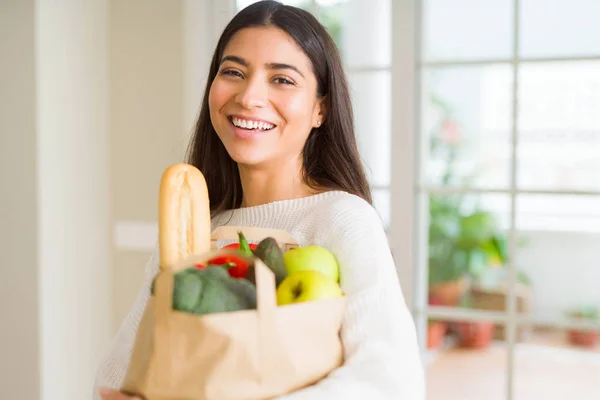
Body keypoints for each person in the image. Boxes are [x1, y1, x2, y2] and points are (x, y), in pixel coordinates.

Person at [96, 1, 424, 399]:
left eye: (282, 80)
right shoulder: (199, 230)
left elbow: (391, 380)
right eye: (233, 72)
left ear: (321, 108)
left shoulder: (342, 219)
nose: (249, 97)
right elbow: (116, 373)